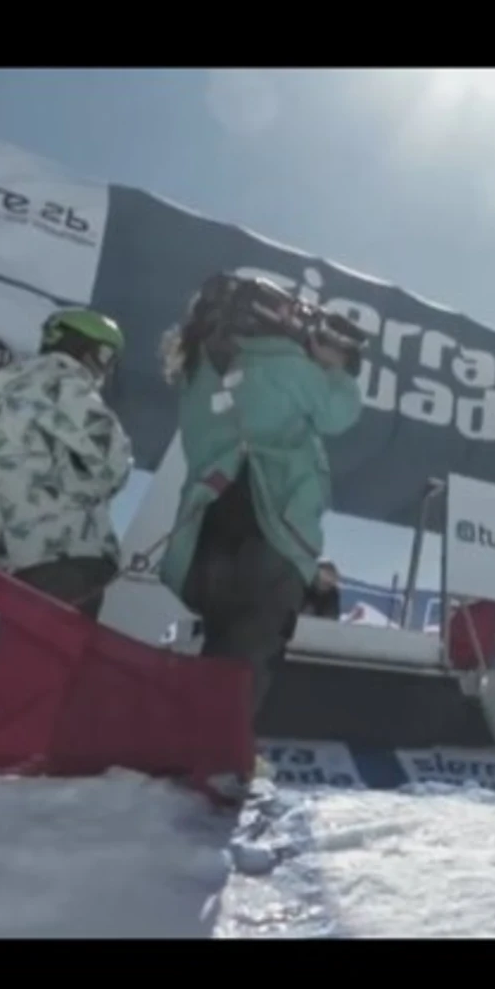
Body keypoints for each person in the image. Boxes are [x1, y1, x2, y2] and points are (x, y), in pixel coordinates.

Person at [155, 273, 366, 713]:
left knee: (219, 647)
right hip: (270, 527)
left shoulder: (200, 369)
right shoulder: (281, 361)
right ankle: (219, 755)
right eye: (286, 309)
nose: (295, 321)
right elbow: (337, 412)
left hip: (207, 528)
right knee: (249, 654)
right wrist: (339, 366)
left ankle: (190, 748)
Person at [0, 308, 133, 617]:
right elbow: (115, 460)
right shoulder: (66, 384)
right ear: (92, 351)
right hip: (68, 553)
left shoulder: (14, 388)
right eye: (107, 358)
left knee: (25, 657)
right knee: (62, 659)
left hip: (14, 558)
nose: (105, 370)